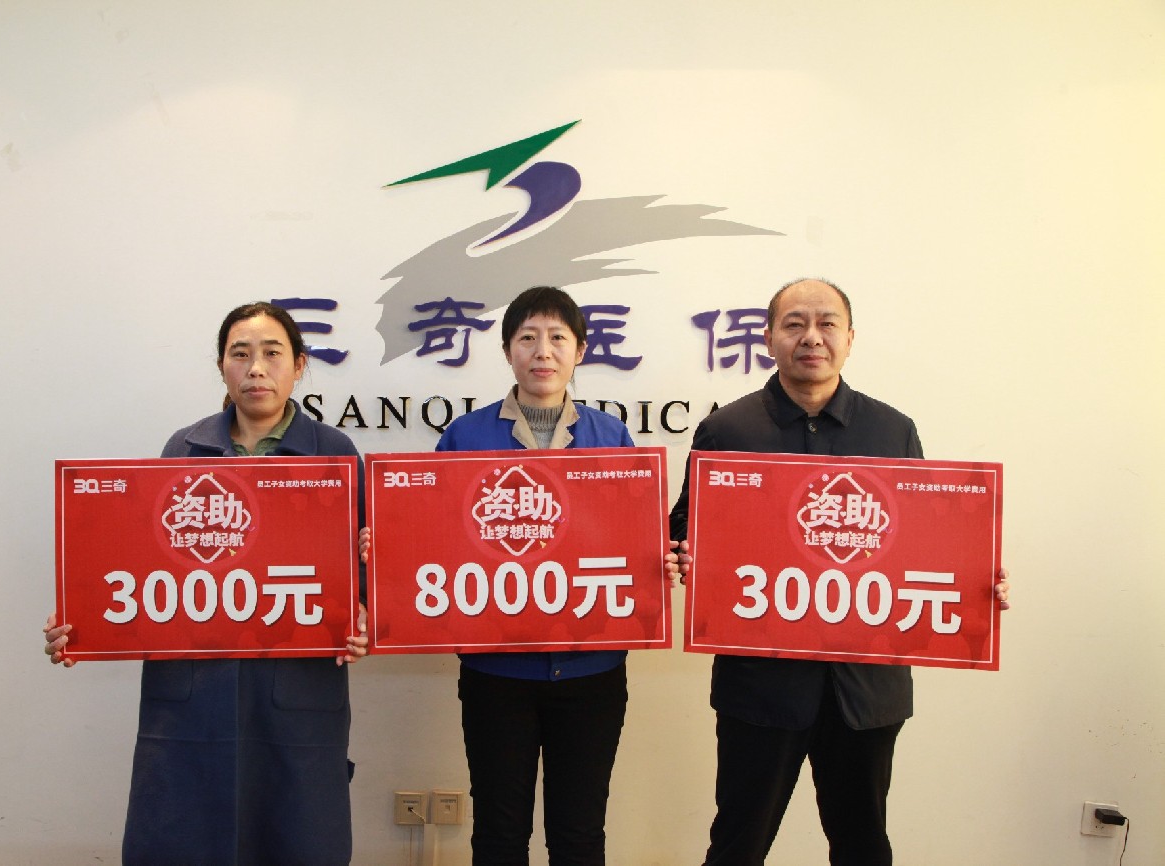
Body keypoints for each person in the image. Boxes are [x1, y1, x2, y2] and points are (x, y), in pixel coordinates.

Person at [668, 278, 1010, 866]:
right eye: (794, 323)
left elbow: (923, 542)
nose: (811, 337)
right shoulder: (729, 431)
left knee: (862, 845)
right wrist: (681, 553)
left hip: (865, 689)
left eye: (827, 323)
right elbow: (684, 526)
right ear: (769, 338)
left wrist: (975, 580)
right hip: (761, 686)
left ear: (850, 338)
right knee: (737, 844)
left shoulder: (893, 431)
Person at [43, 301, 369, 866]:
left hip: (296, 687)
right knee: (185, 837)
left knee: (297, 837)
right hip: (194, 690)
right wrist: (83, 623)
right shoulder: (184, 450)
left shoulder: (335, 454)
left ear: (299, 365)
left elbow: (358, 577)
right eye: (240, 354)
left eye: (272, 353)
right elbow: (144, 563)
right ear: (222, 366)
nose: (256, 368)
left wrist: (364, 610)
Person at [432, 286, 678, 866]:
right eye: (528, 338)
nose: (543, 351)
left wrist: (657, 559)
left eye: (558, 338)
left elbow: (632, 538)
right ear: (508, 351)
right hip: (496, 672)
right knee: (499, 834)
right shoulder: (465, 437)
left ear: (580, 351)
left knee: (580, 834)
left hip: (592, 672)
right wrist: (390, 544)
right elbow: (433, 536)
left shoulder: (612, 438)